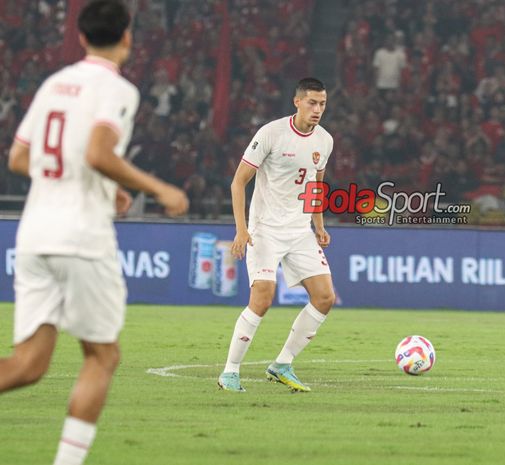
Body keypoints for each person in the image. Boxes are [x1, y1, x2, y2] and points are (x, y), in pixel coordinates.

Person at [0, 2, 189, 464]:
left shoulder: (52, 84)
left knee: (27, 366)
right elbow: (99, 153)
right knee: (102, 357)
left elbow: (19, 160)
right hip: (81, 238)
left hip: (35, 234)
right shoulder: (117, 89)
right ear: (127, 36)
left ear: (81, 38)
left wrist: (102, 186)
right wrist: (157, 187)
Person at [218, 77, 335, 393]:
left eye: (322, 103)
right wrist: (242, 229)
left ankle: (282, 363)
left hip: (300, 231)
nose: (317, 109)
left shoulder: (324, 141)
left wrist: (319, 225)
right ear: (297, 102)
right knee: (263, 297)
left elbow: (315, 186)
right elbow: (238, 182)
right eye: (312, 102)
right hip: (265, 231)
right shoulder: (271, 134)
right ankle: (230, 372)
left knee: (325, 297)